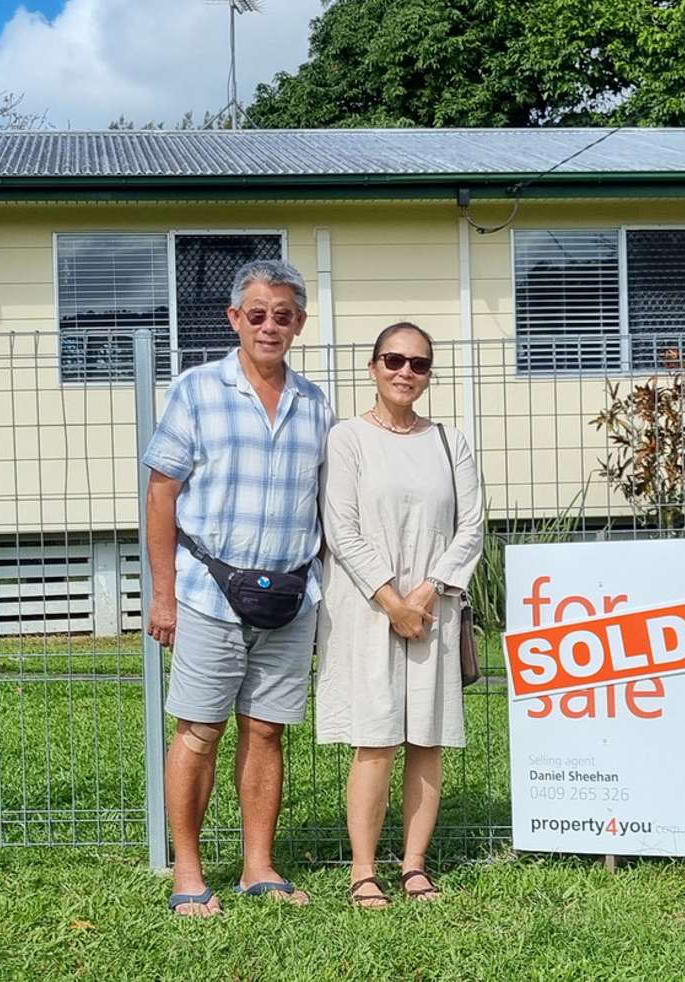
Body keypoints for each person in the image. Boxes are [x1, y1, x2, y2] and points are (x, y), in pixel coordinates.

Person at [142, 259, 333, 917]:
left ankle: (259, 867)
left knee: (266, 732)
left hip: (289, 597)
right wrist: (163, 594)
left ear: (299, 324)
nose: (269, 326)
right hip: (206, 592)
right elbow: (161, 494)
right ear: (234, 319)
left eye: (283, 315)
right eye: (257, 314)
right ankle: (189, 874)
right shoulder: (197, 390)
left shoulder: (316, 404)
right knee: (199, 732)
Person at [315, 321, 485, 909]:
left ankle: (414, 865)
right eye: (393, 360)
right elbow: (342, 528)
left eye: (418, 363)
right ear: (372, 366)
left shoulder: (449, 441)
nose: (405, 372)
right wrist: (390, 600)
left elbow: (471, 527)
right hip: (367, 611)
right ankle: (364, 871)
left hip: (432, 610)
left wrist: (426, 593)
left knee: (426, 737)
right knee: (376, 739)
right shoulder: (347, 439)